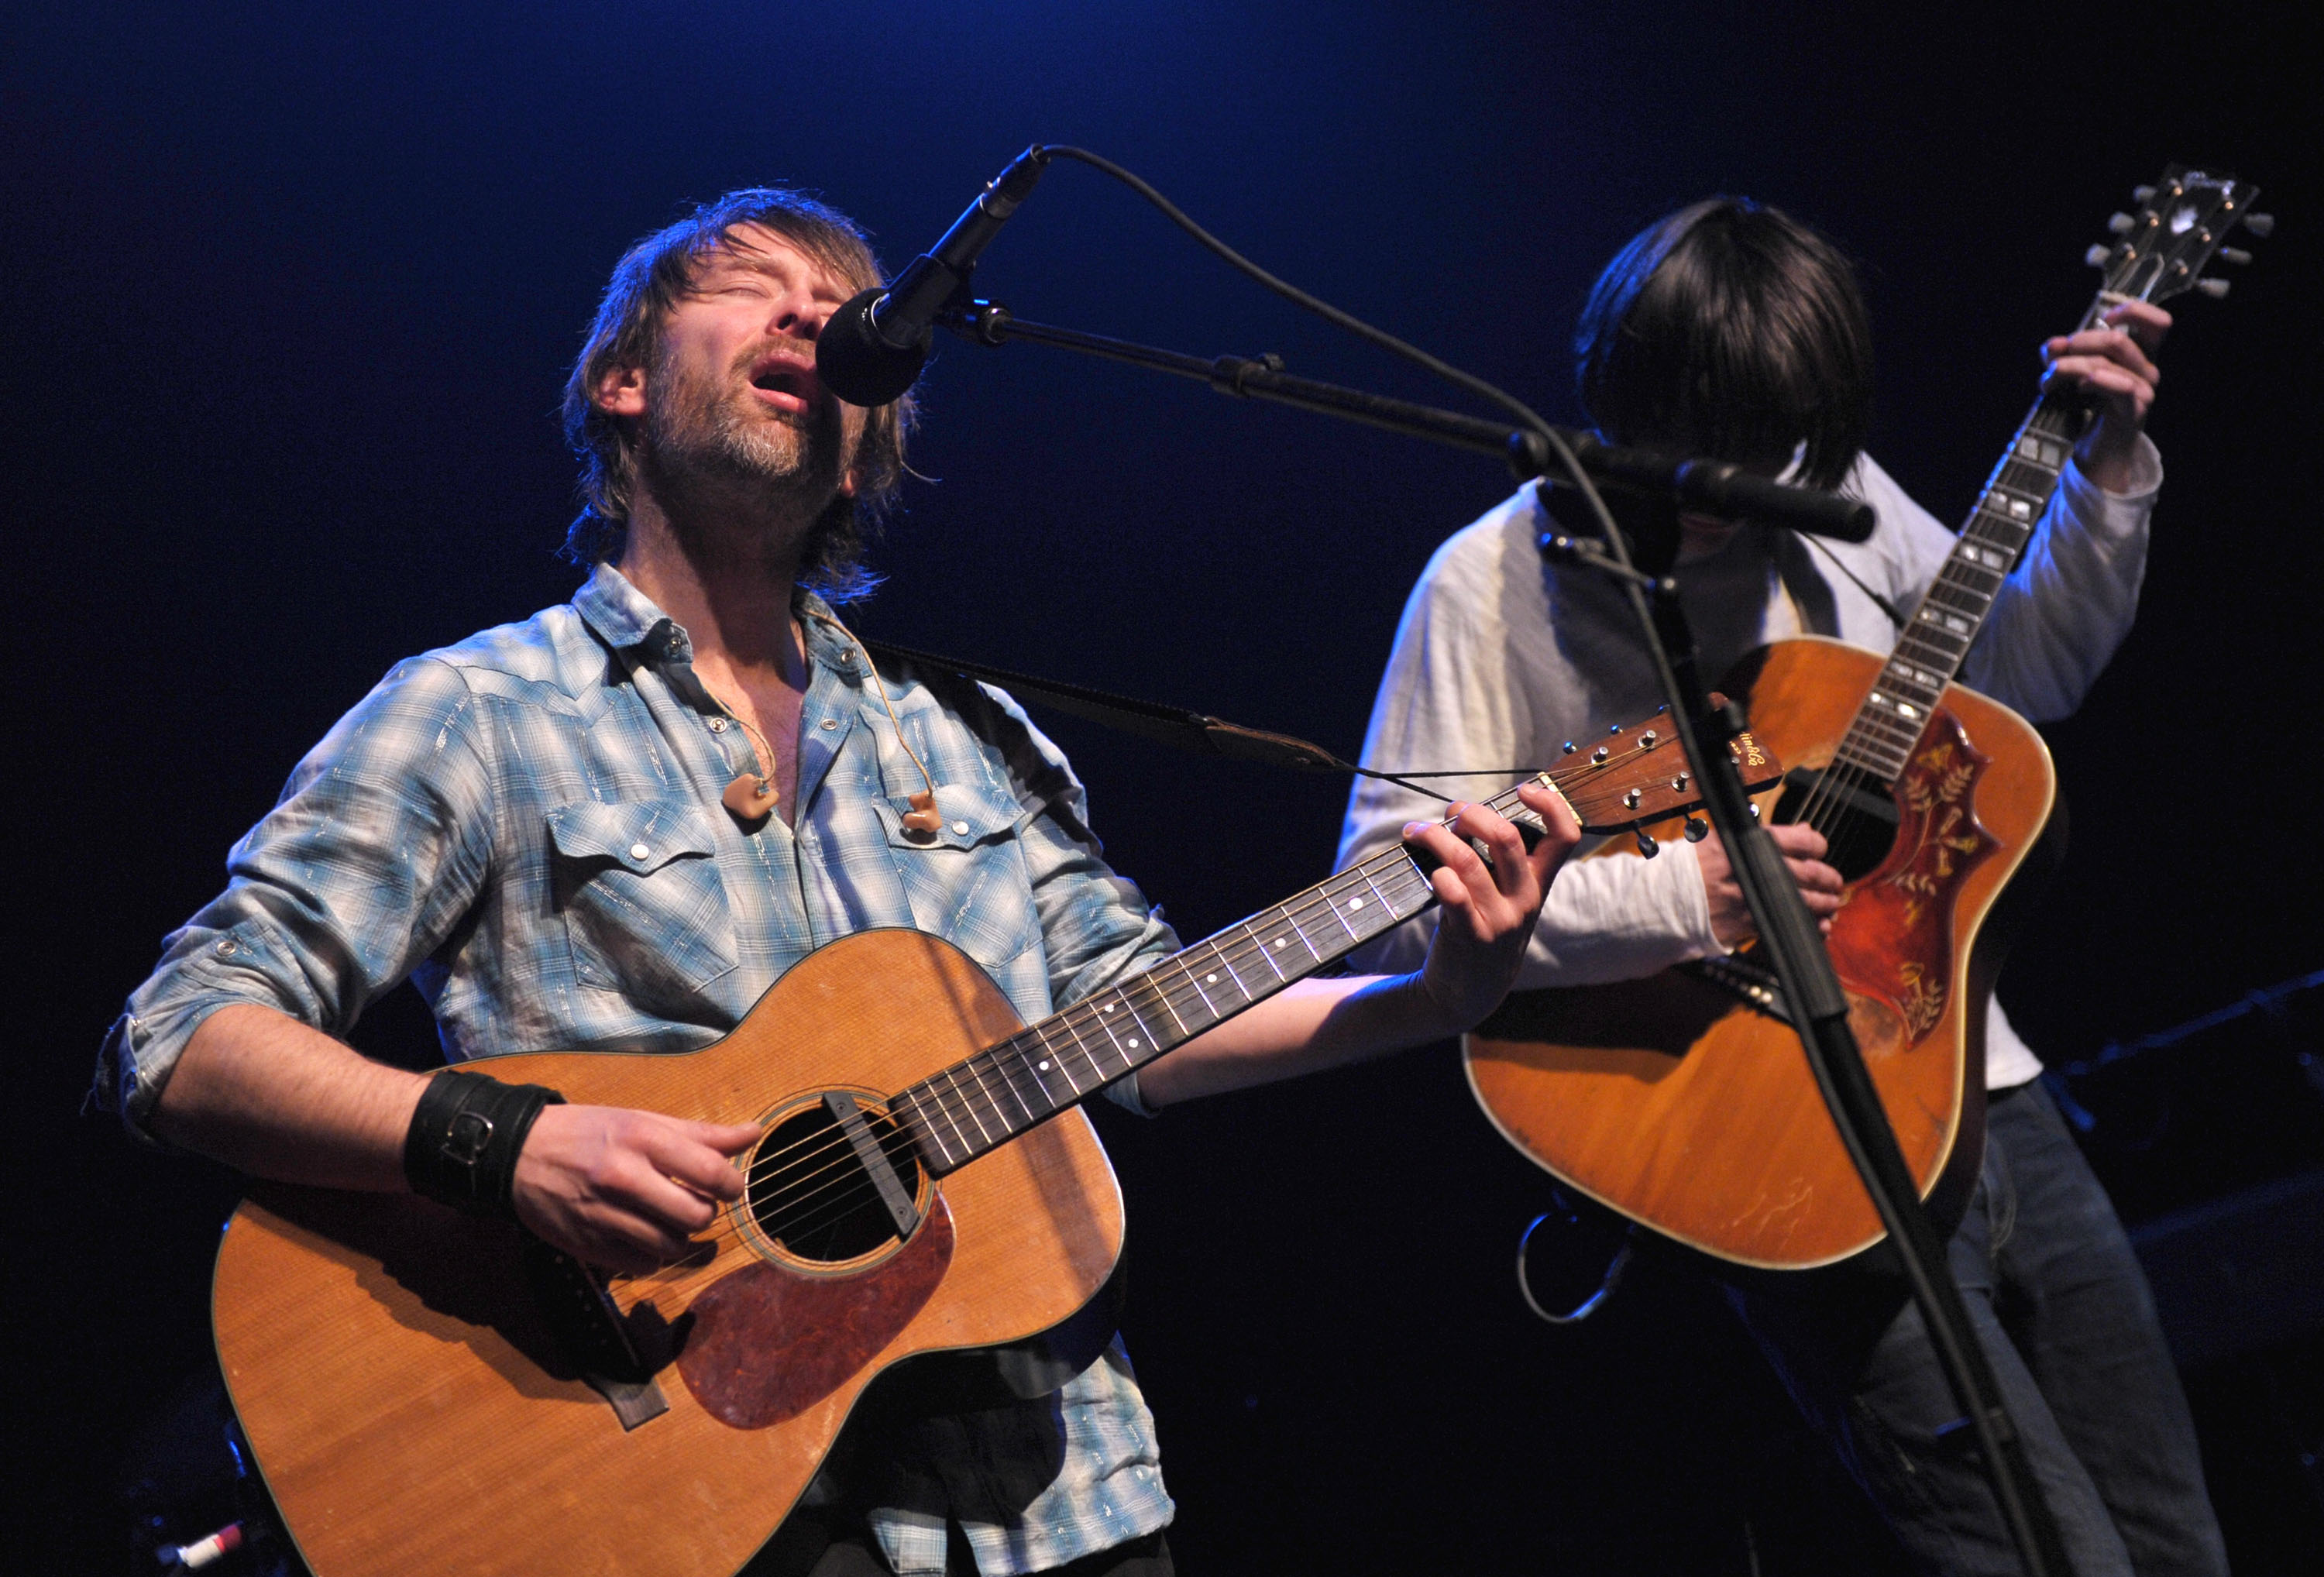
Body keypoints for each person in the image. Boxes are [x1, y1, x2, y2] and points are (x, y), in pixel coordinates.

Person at [95, 187, 1579, 1577]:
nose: (815, 320)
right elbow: (180, 1039)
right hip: (685, 1511)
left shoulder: (974, 736)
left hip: (1059, 1511)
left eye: (851, 310)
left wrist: (1441, 990)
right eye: (756, 288)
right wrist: (510, 1147)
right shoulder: (477, 714)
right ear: (621, 383)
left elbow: (1145, 1026)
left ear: (871, 442)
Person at [1336, 198, 2226, 1575]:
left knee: (2175, 1540)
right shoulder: (1489, 582)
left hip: (1985, 1083)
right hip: (1769, 1123)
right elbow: (1385, 892)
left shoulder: (1827, 498)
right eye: (1709, 444)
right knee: (2041, 1556)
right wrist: (1688, 895)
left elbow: (2018, 688)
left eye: (1778, 445)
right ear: (1626, 388)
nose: (1738, 481)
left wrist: (2105, 471)